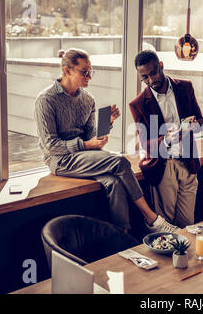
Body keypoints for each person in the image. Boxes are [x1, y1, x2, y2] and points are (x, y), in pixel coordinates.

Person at [34, 47, 178, 233]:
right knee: (119, 161)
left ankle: (122, 235)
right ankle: (151, 218)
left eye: (90, 71)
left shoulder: (88, 99)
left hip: (84, 156)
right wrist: (86, 145)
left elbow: (91, 136)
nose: (89, 77)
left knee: (114, 183)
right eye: (84, 72)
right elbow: (50, 146)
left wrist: (107, 123)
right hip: (60, 160)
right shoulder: (46, 100)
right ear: (67, 70)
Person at [129, 50, 203, 228]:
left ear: (161, 66)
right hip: (164, 167)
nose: (150, 80)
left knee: (188, 225)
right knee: (168, 226)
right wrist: (167, 139)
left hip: (188, 162)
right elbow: (147, 144)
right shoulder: (138, 104)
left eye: (153, 73)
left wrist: (193, 126)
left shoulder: (185, 87)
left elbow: (200, 121)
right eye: (145, 77)